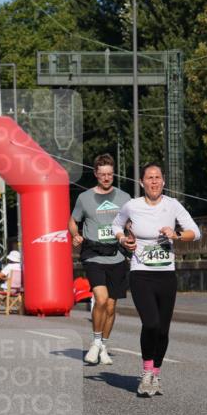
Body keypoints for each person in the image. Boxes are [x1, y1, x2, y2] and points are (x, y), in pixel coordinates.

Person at [112, 163, 199, 398]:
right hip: (141, 274)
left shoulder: (172, 205)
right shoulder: (132, 206)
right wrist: (123, 239)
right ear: (142, 182)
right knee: (150, 323)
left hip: (166, 275)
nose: (154, 181)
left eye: (157, 177)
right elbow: (115, 225)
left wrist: (176, 234)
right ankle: (146, 372)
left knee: (162, 329)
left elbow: (195, 231)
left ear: (163, 181)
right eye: (149, 178)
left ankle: (156, 374)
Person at [70, 153, 131, 366]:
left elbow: (131, 222)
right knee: (101, 299)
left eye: (110, 174)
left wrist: (131, 234)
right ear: (95, 174)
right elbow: (73, 220)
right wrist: (75, 234)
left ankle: (103, 345)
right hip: (93, 254)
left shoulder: (124, 198)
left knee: (112, 307)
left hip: (117, 255)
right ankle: (95, 342)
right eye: (102, 174)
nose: (106, 178)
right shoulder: (84, 198)